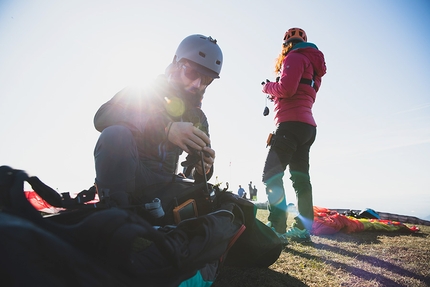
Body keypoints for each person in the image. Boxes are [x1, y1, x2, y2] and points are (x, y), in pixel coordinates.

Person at [93, 34, 223, 207]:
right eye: (192, 73)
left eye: (206, 79)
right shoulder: (142, 90)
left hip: (168, 186)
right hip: (132, 177)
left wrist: (203, 168)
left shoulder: (197, 117)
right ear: (176, 64)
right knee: (114, 135)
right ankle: (117, 214)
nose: (197, 84)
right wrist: (166, 129)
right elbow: (102, 116)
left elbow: (194, 171)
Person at [261, 27, 326, 243]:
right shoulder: (314, 65)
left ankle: (277, 226)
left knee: (271, 174)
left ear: (287, 45)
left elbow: (287, 89)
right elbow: (300, 93)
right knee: (301, 179)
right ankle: (302, 229)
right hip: (307, 127)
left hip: (290, 125)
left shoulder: (295, 57)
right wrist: (278, 96)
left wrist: (268, 88)